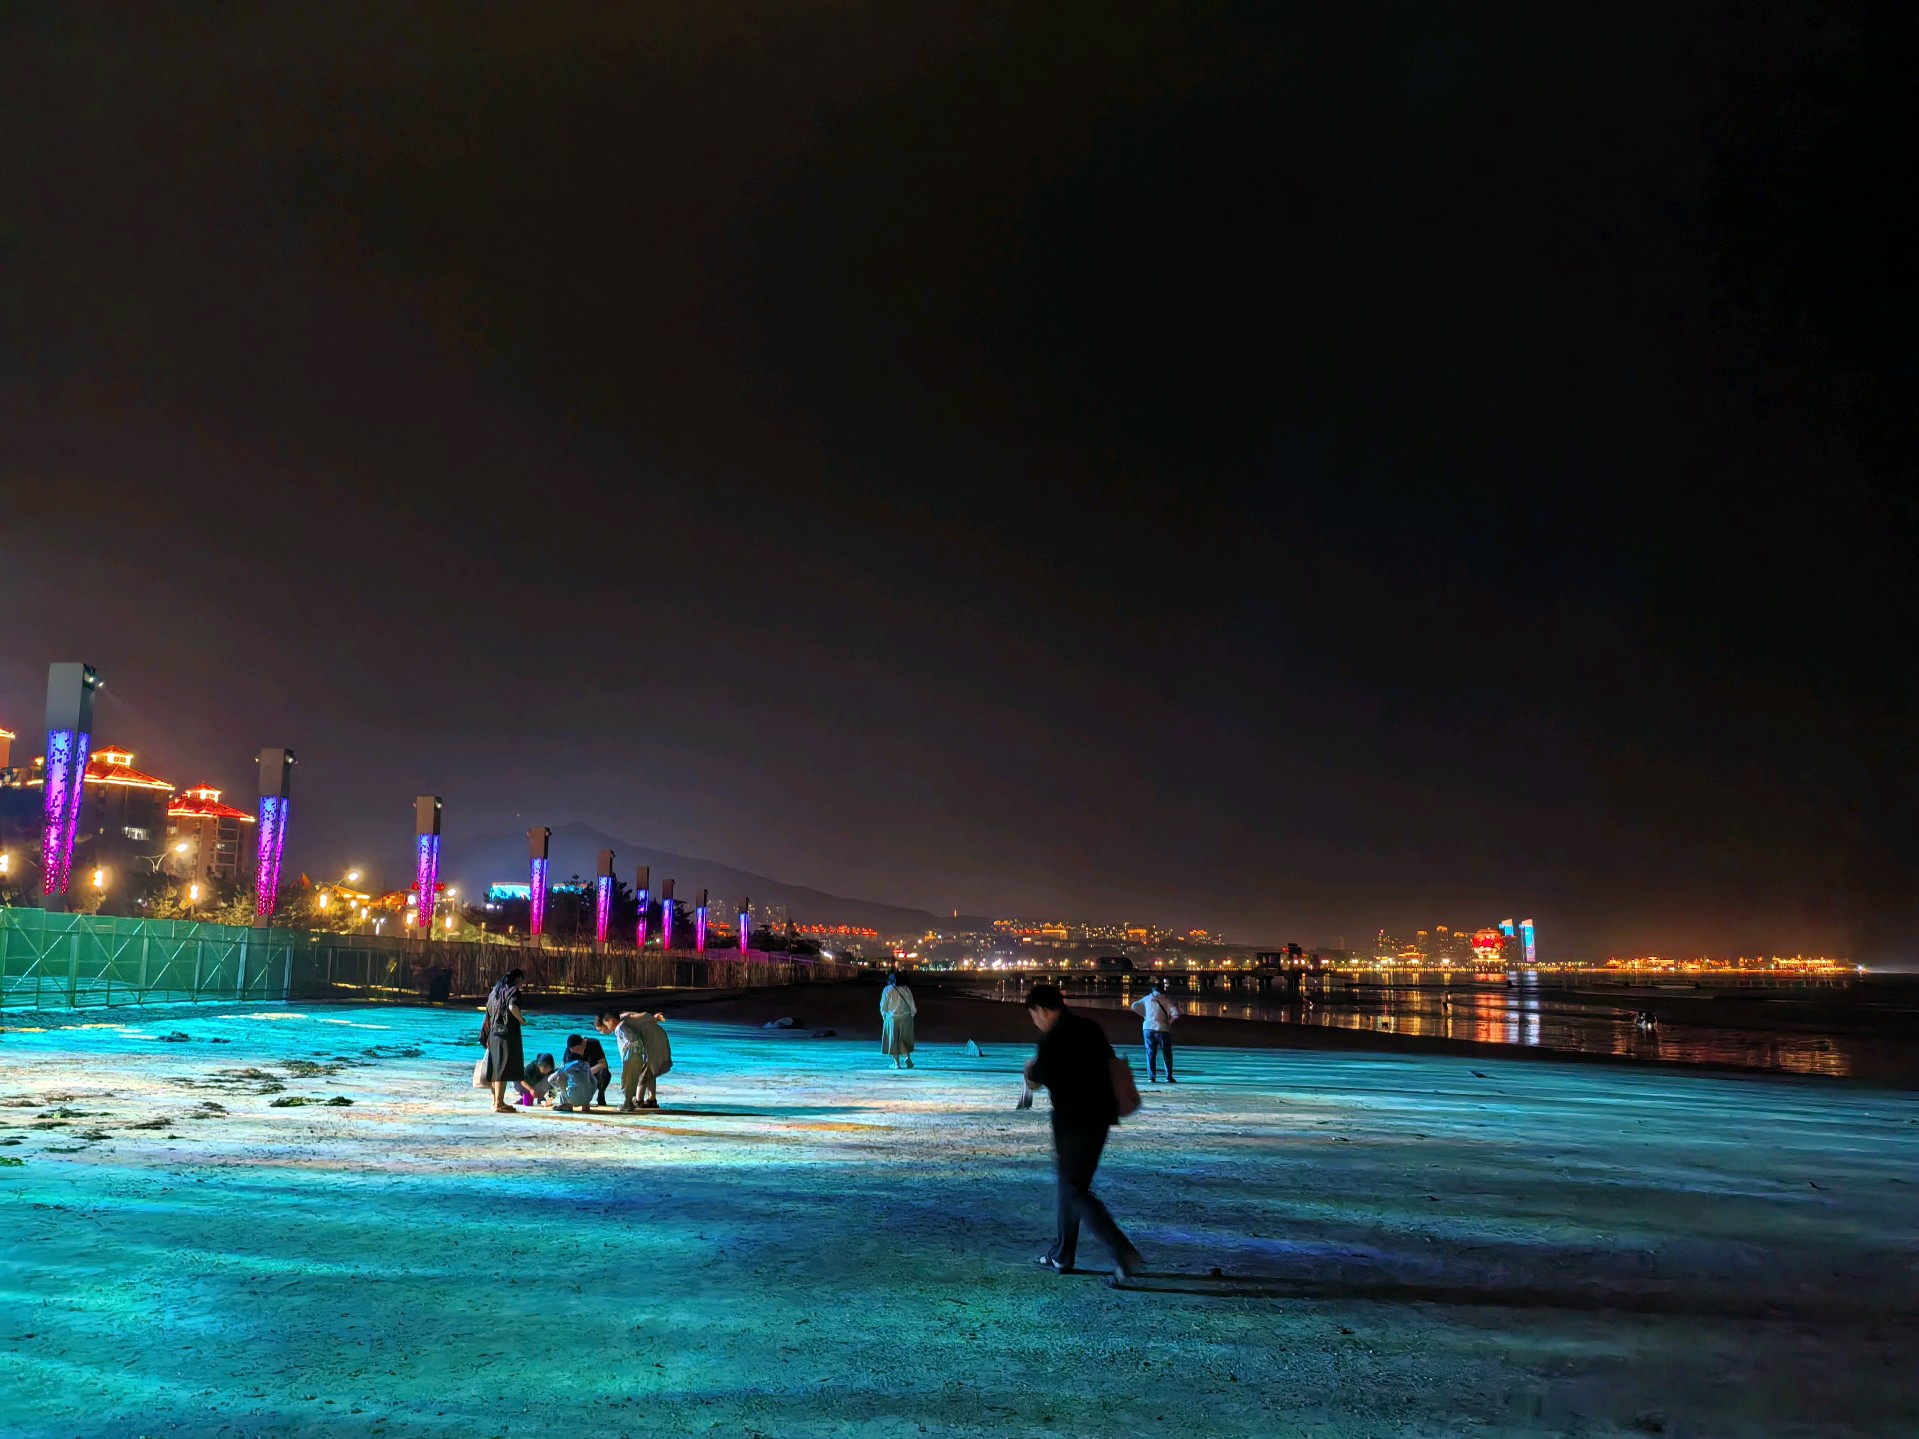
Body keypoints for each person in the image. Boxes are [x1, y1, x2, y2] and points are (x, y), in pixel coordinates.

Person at [1021, 983, 1143, 1283]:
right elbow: (1111, 1064)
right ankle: (1063, 1254)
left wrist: (1029, 1069)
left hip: (1073, 1123)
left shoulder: (1053, 1038)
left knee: (1075, 1191)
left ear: (1042, 1010)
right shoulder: (1089, 1028)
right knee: (1071, 1187)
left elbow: (1037, 1080)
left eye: (1033, 1015)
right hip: (1101, 1118)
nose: (1034, 1021)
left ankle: (1122, 1252)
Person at [596, 1010, 672, 1111]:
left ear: (609, 1020)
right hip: (651, 1040)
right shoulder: (621, 1025)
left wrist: (653, 1018)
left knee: (642, 1073)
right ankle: (651, 1099)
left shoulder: (622, 1023)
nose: (602, 1033)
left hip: (650, 1042)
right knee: (649, 1071)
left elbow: (637, 1018)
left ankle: (638, 1101)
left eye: (601, 1029)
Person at [480, 968, 526, 1114]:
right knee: (503, 1069)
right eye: (522, 980)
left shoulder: (494, 993)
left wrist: (486, 1036)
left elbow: (488, 1014)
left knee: (495, 1068)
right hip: (506, 1035)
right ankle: (499, 1104)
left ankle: (495, 1101)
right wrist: (521, 1020)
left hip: (493, 1034)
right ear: (517, 979)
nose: (523, 983)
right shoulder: (513, 991)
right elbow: (512, 1007)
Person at [1130, 978, 1180, 1083]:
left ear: (1153, 990)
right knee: (1166, 1053)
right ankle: (1168, 1076)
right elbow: (1175, 1014)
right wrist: (1169, 1022)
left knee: (1150, 1053)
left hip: (1148, 1028)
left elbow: (1134, 1006)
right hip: (1162, 1029)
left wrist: (1144, 1015)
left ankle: (1151, 1077)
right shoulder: (1166, 1000)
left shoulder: (1147, 998)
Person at [879, 970, 917, 1069]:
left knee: (893, 1040)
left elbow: (883, 1005)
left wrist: (884, 1016)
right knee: (904, 1039)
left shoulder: (887, 989)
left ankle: (896, 1063)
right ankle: (907, 1057)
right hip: (906, 1017)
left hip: (892, 1018)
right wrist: (912, 1014)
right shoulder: (906, 989)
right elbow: (911, 1004)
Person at [564, 1033, 612, 1106]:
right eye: (574, 1051)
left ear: (584, 1042)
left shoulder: (594, 1044)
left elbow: (603, 1064)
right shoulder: (570, 1049)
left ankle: (601, 1094)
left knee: (605, 1073)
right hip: (577, 1076)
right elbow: (563, 1067)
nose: (576, 1052)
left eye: (578, 1049)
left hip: (592, 1073)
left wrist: (586, 1072)